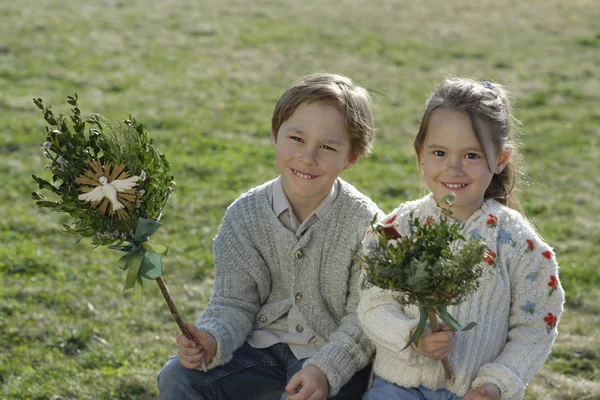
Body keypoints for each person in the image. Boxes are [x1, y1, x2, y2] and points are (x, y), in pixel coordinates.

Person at [158, 72, 383, 400]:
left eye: (327, 146)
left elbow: (363, 320)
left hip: (329, 359)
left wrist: (325, 370)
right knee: (177, 377)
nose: (308, 156)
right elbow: (233, 302)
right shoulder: (244, 216)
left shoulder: (366, 223)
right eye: (296, 139)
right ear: (275, 135)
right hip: (256, 354)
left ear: (352, 156)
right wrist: (212, 338)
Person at [357, 77, 565, 400]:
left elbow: (535, 327)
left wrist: (495, 384)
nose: (453, 169)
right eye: (439, 152)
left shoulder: (518, 245)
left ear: (500, 159)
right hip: (399, 388)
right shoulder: (394, 231)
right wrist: (413, 336)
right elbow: (373, 305)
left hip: (475, 392)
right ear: (420, 154)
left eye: (471, 156)